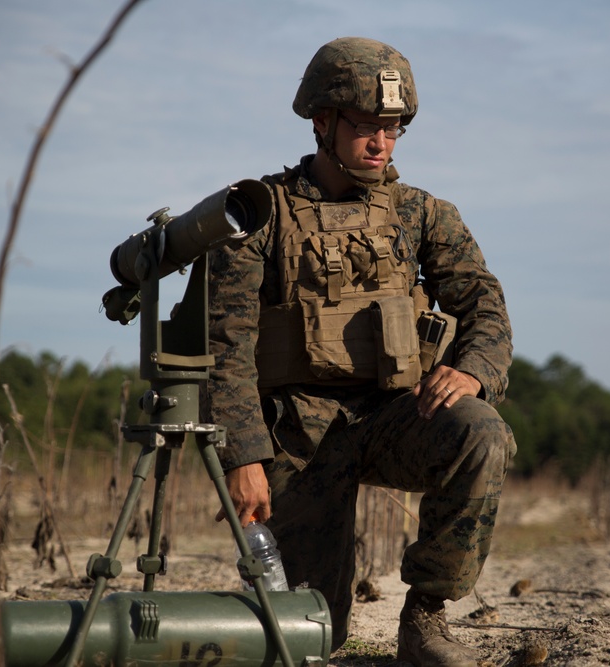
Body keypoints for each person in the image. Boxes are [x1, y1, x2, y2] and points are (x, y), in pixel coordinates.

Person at [205, 36, 516, 667]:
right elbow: (225, 344)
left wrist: (473, 370)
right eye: (366, 127)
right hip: (297, 434)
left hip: (394, 417)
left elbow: (485, 306)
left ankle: (424, 619)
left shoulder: (422, 215)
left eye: (393, 129)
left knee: (481, 435)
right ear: (322, 121)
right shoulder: (260, 215)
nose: (381, 143)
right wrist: (242, 455)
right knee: (311, 635)